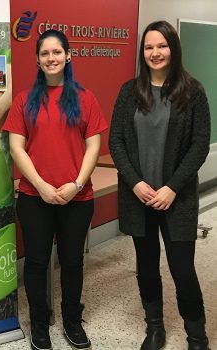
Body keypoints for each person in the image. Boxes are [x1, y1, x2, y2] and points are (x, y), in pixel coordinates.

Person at [3, 29, 107, 350]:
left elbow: (94, 146)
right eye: (45, 54)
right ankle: (39, 323)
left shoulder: (85, 98)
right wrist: (42, 185)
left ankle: (72, 321)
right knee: (35, 263)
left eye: (57, 52)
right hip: (36, 198)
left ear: (68, 55)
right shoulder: (23, 100)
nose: (51, 58)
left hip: (78, 197)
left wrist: (76, 184)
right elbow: (17, 148)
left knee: (72, 261)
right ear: (37, 59)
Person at [109, 20, 211, 350]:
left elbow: (199, 144)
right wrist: (136, 183)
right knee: (147, 267)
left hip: (176, 199)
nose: (155, 52)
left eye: (162, 45)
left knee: (182, 270)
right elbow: (117, 141)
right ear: (142, 52)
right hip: (139, 196)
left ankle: (197, 337)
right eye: (149, 47)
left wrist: (172, 188)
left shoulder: (193, 91)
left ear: (173, 48)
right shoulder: (129, 91)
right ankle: (154, 328)